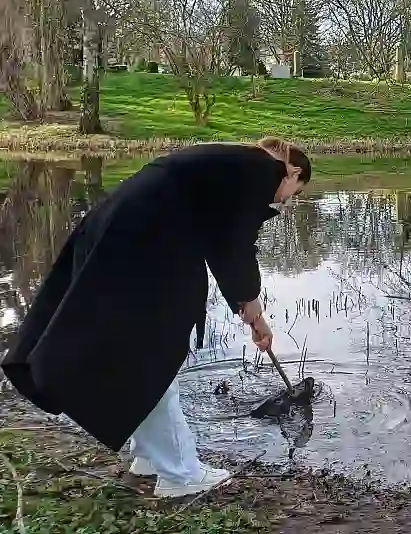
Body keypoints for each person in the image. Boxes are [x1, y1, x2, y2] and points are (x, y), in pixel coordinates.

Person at [1, 138, 311, 498]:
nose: (285, 202)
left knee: (140, 356)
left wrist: (247, 305)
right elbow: (234, 245)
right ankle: (180, 474)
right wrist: (251, 302)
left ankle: (151, 456)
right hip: (141, 246)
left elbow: (218, 241)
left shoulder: (234, 164)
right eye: (294, 193)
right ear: (293, 173)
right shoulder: (262, 169)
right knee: (152, 357)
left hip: (120, 233)